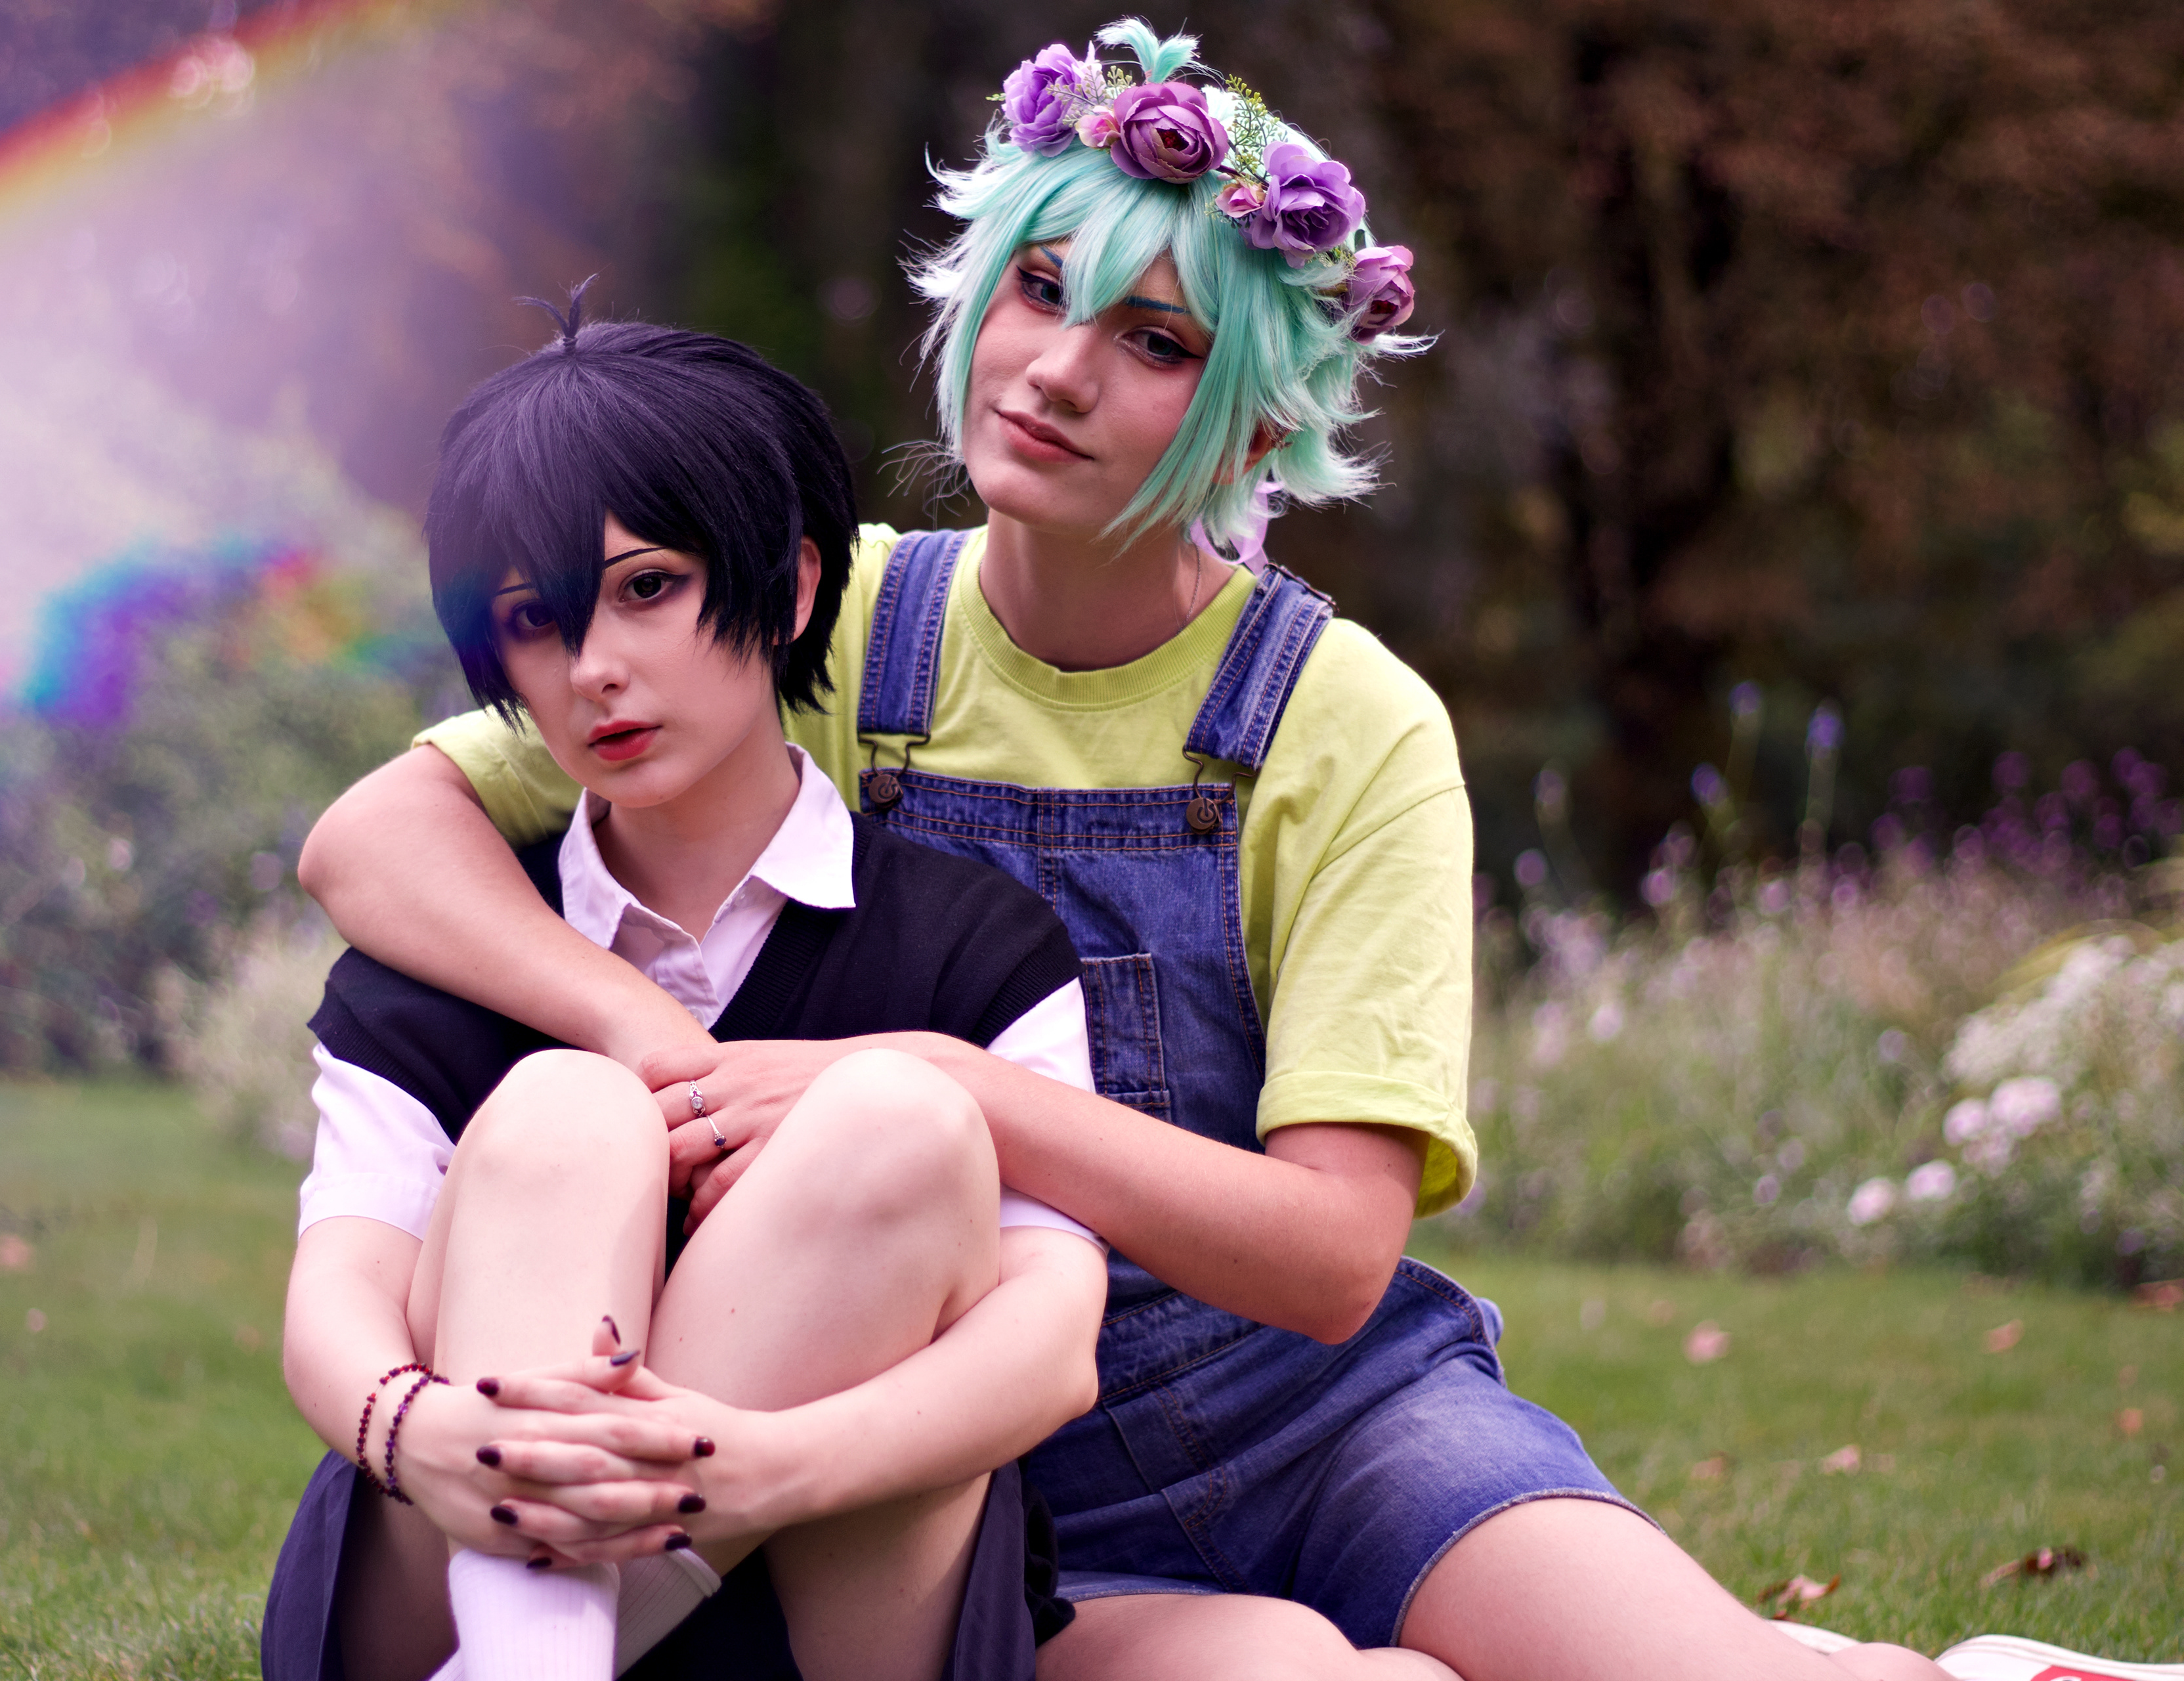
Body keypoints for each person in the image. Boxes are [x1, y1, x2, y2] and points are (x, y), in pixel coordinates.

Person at [295, 24, 2154, 1681]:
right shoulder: (821, 617)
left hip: (1328, 1415)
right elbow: (376, 843)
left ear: (1260, 413)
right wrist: (651, 1043)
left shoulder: (1351, 727)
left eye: (1156, 343)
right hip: (975, 1439)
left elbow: (1334, 1256)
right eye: (1037, 291)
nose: (1056, 371)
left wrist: (941, 1076)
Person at [264, 309, 1119, 1681]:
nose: (592, 666)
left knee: (899, 1116)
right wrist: (413, 1427)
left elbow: (1051, 1346)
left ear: (789, 587)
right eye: (532, 620)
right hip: (445, 1564)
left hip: (842, 1593)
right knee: (571, 1107)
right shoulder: (448, 954)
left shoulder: (976, 949)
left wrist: (766, 1466)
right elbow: (337, 1295)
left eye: (648, 587)